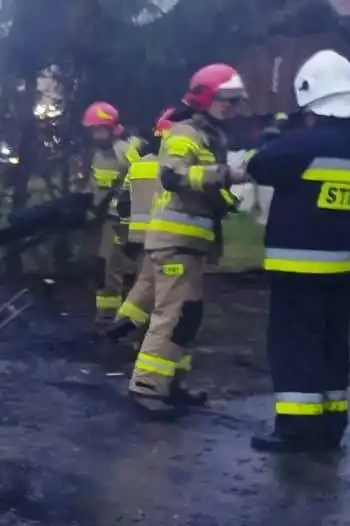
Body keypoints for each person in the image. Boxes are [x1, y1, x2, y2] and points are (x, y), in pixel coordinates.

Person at [241, 49, 350, 453]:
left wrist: (276, 137)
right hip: (345, 263)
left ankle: (297, 429)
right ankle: (332, 422)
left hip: (299, 265)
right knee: (332, 342)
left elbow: (260, 166)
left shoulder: (301, 144)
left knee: (294, 343)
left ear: (312, 103)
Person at [127, 64, 251, 418]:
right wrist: (230, 175)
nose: (231, 106)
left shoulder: (209, 135)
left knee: (188, 316)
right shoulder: (186, 132)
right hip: (175, 240)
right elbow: (173, 175)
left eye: (235, 101)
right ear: (205, 96)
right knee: (172, 314)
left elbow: (203, 189)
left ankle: (172, 383)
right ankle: (146, 386)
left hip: (191, 241)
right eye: (225, 99)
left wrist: (226, 196)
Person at [106, 109, 171, 342]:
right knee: (164, 293)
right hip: (171, 240)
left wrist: (126, 233)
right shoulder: (181, 169)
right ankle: (145, 337)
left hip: (139, 240)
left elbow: (123, 203)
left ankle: (122, 330)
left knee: (142, 286)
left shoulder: (139, 166)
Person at [84, 101, 137, 324]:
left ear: (112, 127)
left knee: (113, 269)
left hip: (125, 220)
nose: (96, 135)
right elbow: (94, 186)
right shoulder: (99, 155)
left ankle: (111, 320)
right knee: (101, 267)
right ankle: (108, 316)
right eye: (93, 130)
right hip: (104, 218)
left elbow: (141, 183)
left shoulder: (127, 152)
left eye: (100, 129)